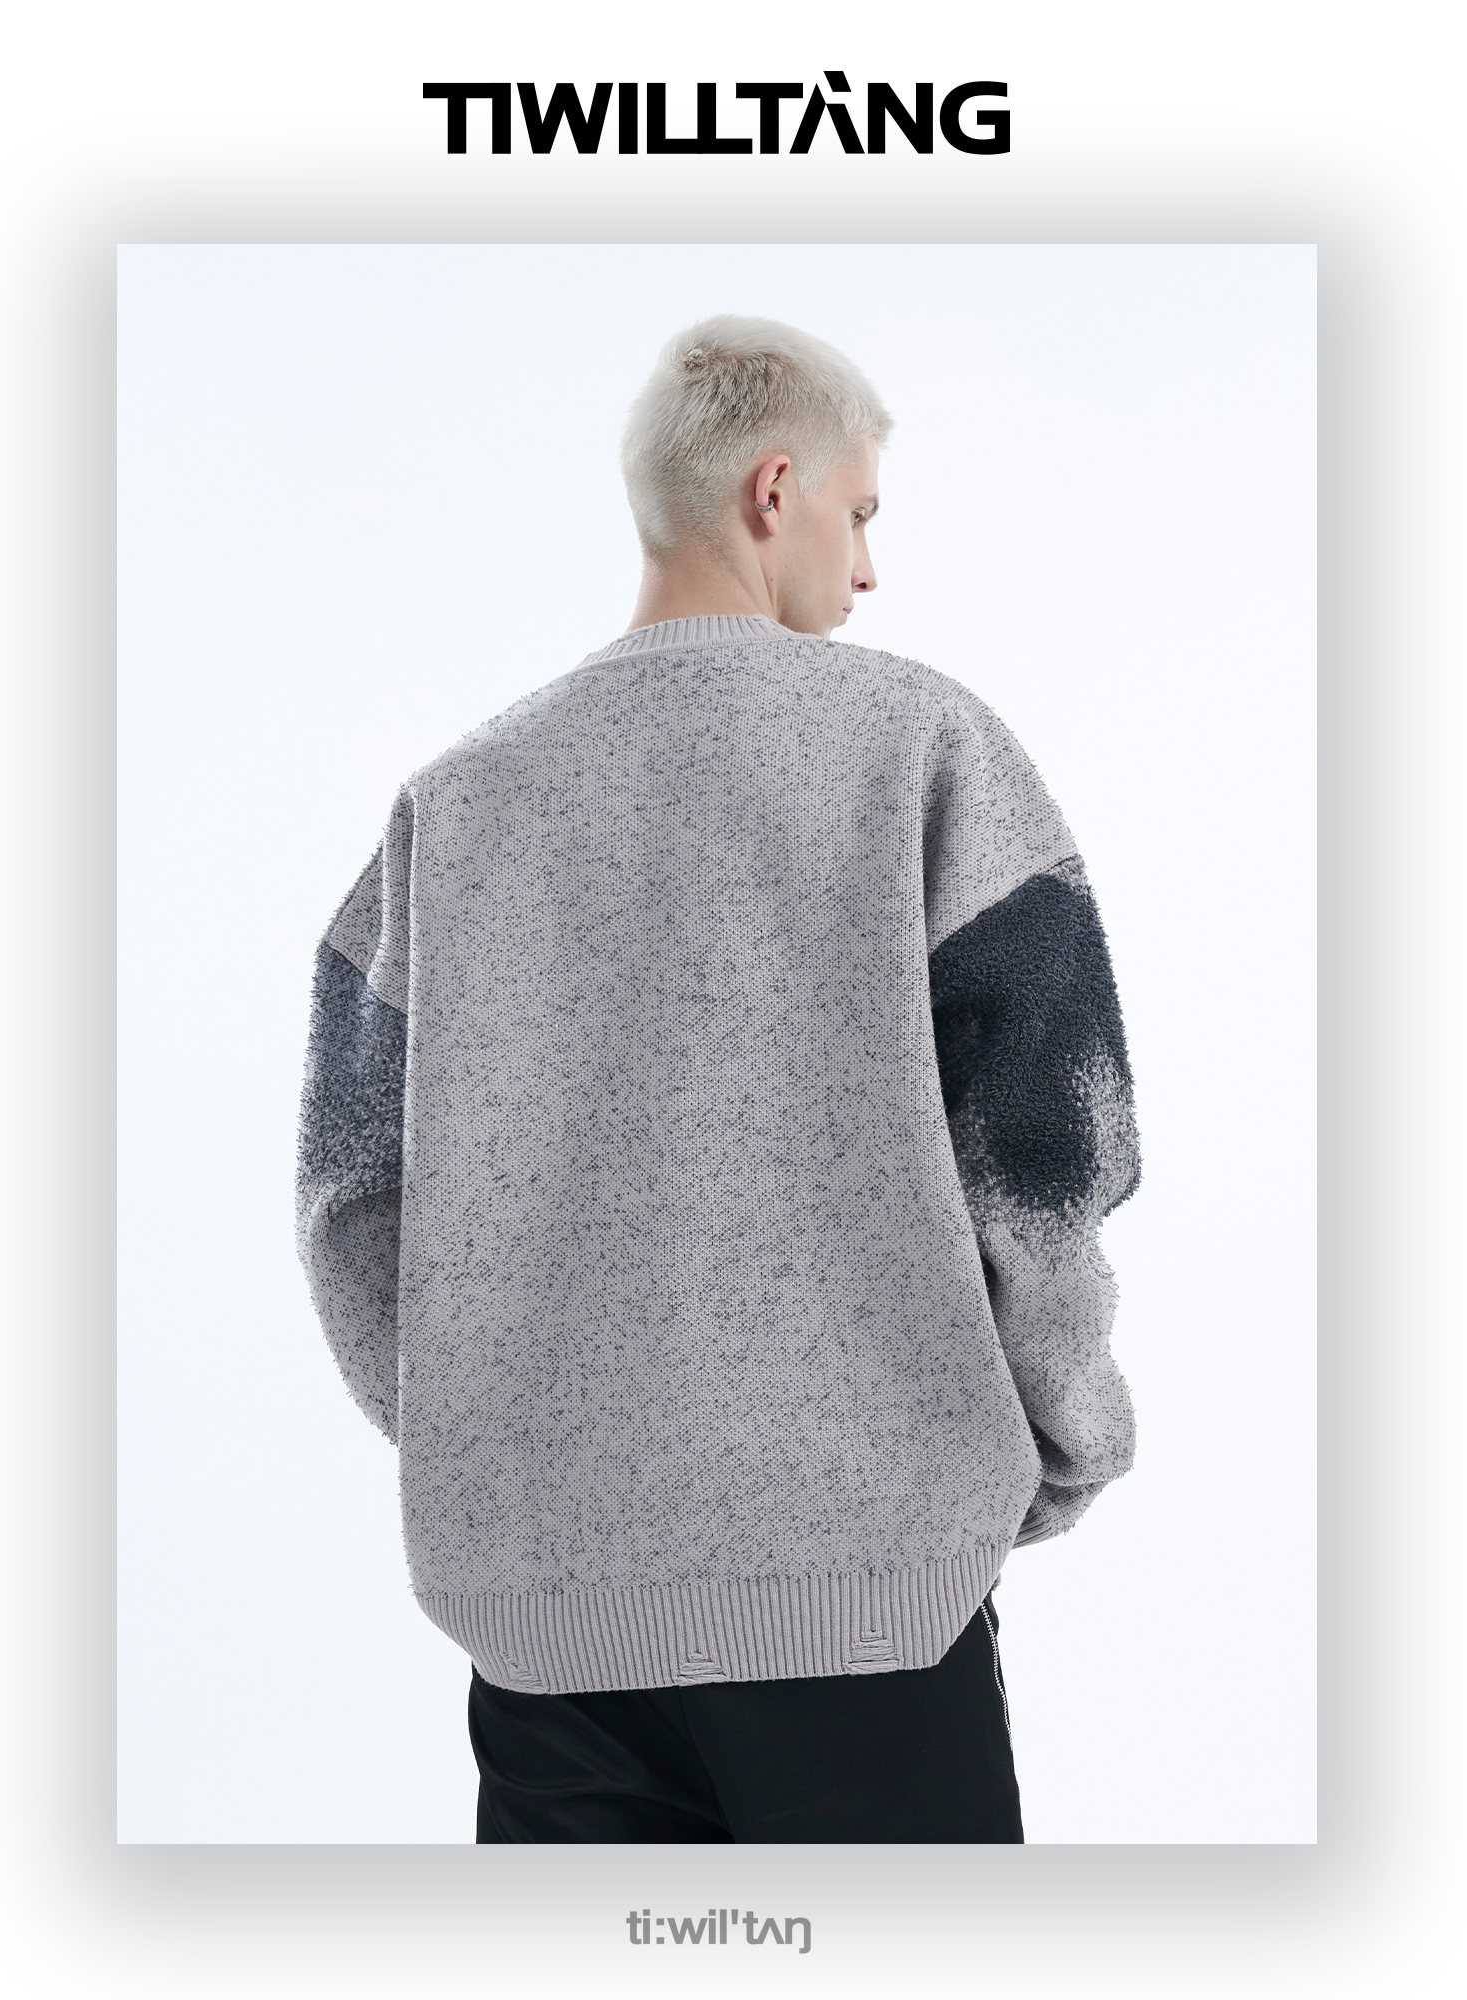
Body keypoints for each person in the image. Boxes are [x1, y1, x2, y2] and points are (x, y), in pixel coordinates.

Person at [295, 314, 1142, 1843]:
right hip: (868, 1597)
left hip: (547, 1628)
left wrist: (500, 1447)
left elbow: (352, 1201)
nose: (868, 569)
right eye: (860, 512)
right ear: (774, 490)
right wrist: (1066, 1430)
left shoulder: (454, 804)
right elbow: (1046, 1148)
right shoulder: (922, 744)